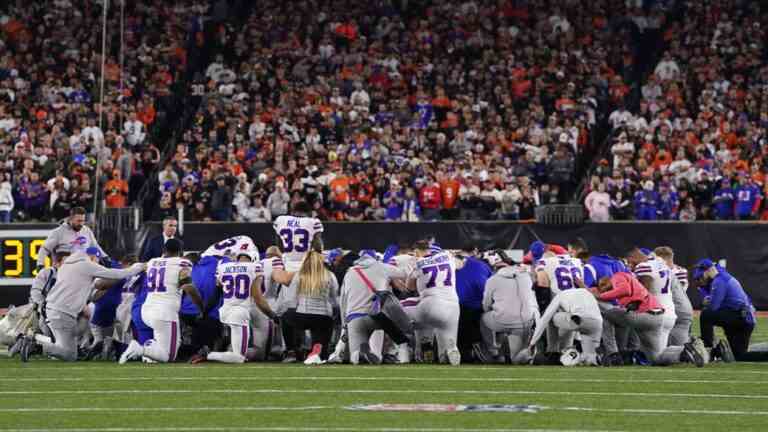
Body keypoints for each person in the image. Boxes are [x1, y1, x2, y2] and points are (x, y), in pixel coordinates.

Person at [20, 247, 146, 362]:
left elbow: (85, 289)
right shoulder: (86, 265)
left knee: (66, 342)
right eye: (96, 260)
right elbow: (116, 273)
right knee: (69, 354)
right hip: (63, 312)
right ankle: (35, 345)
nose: (97, 263)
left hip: (53, 309)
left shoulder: (67, 266)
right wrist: (138, 267)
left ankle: (34, 341)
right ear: (92, 257)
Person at [593, 272, 707, 367]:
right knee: (656, 358)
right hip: (657, 318)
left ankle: (613, 354)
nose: (603, 290)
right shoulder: (630, 281)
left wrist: (600, 296)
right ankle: (684, 352)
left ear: (606, 281)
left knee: (607, 315)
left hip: (645, 315)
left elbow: (625, 290)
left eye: (602, 287)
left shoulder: (617, 276)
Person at [120, 239, 205, 364]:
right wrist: (200, 306)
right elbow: (187, 286)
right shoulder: (182, 263)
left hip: (147, 310)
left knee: (173, 343)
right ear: (180, 251)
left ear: (164, 250)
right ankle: (139, 349)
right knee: (169, 356)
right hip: (164, 312)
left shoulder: (152, 262)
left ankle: (149, 348)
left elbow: (138, 271)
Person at [191, 250, 279, 364]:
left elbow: (217, 294)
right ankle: (208, 354)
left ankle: (221, 352)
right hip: (240, 313)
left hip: (225, 312)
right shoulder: (254, 267)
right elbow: (258, 298)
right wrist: (272, 315)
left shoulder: (223, 266)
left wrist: (205, 311)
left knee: (239, 350)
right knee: (239, 357)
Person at [338, 250, 407, 364]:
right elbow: (404, 273)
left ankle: (359, 354)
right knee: (398, 319)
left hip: (354, 318)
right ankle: (394, 352)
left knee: (355, 357)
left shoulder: (350, 272)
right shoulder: (382, 267)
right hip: (378, 316)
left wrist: (344, 324)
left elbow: (343, 301)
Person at [693, 259, 768, 362]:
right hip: (744, 319)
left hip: (740, 318)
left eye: (701, 276)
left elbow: (713, 307)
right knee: (739, 356)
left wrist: (706, 302)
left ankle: (707, 345)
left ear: (709, 271)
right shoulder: (721, 277)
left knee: (706, 314)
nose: (700, 279)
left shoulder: (719, 281)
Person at [406, 241, 461, 365]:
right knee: (445, 333)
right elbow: (460, 264)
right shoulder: (448, 256)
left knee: (409, 309)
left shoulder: (419, 262)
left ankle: (424, 345)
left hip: (430, 302)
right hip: (453, 306)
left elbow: (409, 287)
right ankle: (449, 350)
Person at [280, 249, 339, 364]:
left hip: (303, 316)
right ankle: (318, 350)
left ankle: (291, 351)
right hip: (323, 318)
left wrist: (295, 309)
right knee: (321, 355)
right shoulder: (330, 275)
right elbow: (334, 301)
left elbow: (291, 300)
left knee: (285, 317)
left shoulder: (299, 274)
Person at [480, 253, 538, 364]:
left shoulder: (492, 280)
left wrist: (496, 308)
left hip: (502, 321)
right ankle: (528, 352)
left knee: (483, 318)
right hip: (525, 322)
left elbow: (485, 305)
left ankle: (494, 351)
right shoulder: (526, 276)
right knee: (516, 359)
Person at [530, 288, 603, 366]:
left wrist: (532, 342)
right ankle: (593, 358)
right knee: (589, 358)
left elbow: (545, 318)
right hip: (597, 324)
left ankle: (553, 353)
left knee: (551, 317)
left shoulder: (559, 296)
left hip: (578, 319)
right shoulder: (586, 292)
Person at [626, 248, 677, 347]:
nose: (630, 264)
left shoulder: (644, 266)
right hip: (670, 313)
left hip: (655, 314)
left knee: (615, 316)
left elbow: (644, 293)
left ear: (635, 256)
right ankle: (683, 352)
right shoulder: (663, 265)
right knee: (657, 355)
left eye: (630, 261)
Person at [37, 207, 106, 270]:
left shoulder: (86, 230)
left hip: (84, 270)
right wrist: (40, 264)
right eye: (78, 221)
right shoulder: (58, 232)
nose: (81, 224)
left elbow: (95, 246)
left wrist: (105, 257)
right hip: (63, 271)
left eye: (83, 221)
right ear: (71, 219)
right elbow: (45, 249)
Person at [455, 249, 492, 363]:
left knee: (462, 332)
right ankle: (478, 349)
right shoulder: (482, 265)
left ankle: (467, 353)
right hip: (478, 305)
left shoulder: (453, 263)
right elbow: (489, 286)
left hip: (459, 304)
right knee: (475, 329)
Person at [654, 246, 693, 346]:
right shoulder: (679, 270)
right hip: (681, 309)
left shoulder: (677, 272)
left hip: (675, 309)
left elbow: (677, 293)